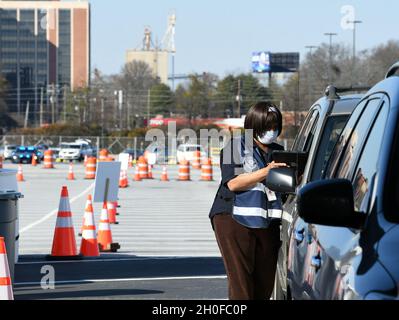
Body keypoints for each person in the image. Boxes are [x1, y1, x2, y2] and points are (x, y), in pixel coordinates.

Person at [209, 102, 287, 300]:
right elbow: (233, 183)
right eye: (267, 126)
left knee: (265, 282)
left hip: (267, 222)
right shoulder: (234, 147)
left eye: (275, 126)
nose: (272, 131)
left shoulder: (279, 151)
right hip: (233, 219)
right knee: (241, 284)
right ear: (253, 126)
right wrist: (265, 172)